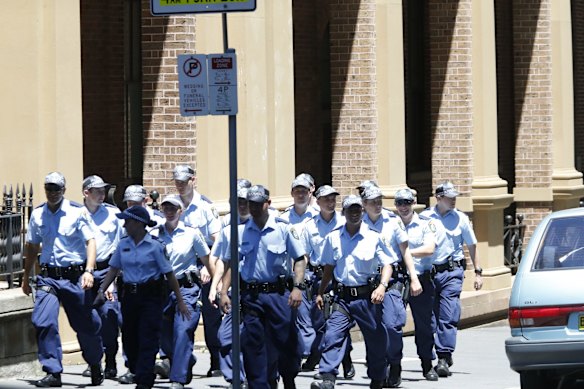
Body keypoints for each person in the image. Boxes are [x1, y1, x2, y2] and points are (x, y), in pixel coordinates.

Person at [219, 185, 307, 389]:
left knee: (286, 341)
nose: (255, 208)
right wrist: (224, 292)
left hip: (279, 295)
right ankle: (260, 384)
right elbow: (233, 263)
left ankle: (288, 377)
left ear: (268, 204)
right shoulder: (240, 232)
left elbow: (300, 259)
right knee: (253, 344)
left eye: (259, 204)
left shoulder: (283, 229)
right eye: (251, 204)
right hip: (252, 296)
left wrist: (297, 287)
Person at [22, 172, 104, 388]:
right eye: (49, 188)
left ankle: (95, 363)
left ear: (64, 190)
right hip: (48, 278)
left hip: (75, 277)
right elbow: (32, 246)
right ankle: (53, 372)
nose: (52, 192)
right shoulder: (38, 214)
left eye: (56, 188)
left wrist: (89, 270)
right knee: (43, 321)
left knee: (86, 325)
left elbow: (91, 241)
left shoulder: (77, 212)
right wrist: (25, 276)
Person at [94, 206, 190, 389]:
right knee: (130, 339)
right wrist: (101, 291)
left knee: (148, 337)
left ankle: (145, 380)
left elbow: (169, 274)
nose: (124, 225)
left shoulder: (155, 246)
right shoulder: (123, 245)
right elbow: (113, 269)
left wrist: (180, 300)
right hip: (129, 297)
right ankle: (140, 371)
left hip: (150, 298)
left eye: (127, 221)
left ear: (138, 224)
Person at [310, 195, 394, 389]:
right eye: (350, 210)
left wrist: (382, 286)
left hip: (368, 298)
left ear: (362, 212)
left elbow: (388, 264)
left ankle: (378, 376)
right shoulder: (333, 237)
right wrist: (321, 292)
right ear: (344, 213)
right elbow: (329, 268)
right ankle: (328, 377)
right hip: (343, 298)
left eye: (358, 210)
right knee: (332, 335)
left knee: (375, 340)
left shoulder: (374, 237)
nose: (355, 214)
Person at [420, 181, 483, 377]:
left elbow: (472, 245)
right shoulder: (424, 218)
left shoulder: (461, 219)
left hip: (452, 272)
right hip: (429, 274)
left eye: (455, 197)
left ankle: (443, 357)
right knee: (431, 318)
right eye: (449, 197)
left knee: (447, 315)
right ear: (438, 198)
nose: (453, 200)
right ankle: (435, 353)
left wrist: (478, 272)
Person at [361, 186, 422, 387]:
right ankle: (378, 368)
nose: (377, 205)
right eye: (373, 201)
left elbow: (405, 252)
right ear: (364, 204)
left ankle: (395, 362)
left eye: (380, 200)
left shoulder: (392, 222)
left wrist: (414, 278)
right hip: (367, 280)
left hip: (393, 279)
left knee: (391, 325)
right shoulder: (356, 223)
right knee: (373, 328)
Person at [150, 195, 212, 389]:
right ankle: (185, 359)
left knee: (183, 330)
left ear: (181, 211)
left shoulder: (192, 233)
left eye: (173, 208)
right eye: (166, 208)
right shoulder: (153, 234)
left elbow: (207, 259)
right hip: (161, 290)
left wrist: (217, 285)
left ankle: (178, 378)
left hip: (187, 289)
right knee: (163, 333)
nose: (169, 212)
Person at [172, 164, 223, 377]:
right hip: (182, 270)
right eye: (178, 182)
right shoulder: (171, 204)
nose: (181, 186)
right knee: (183, 320)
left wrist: (207, 267)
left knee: (212, 318)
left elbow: (218, 240)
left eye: (185, 181)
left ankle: (216, 361)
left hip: (205, 266)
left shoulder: (205, 207)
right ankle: (185, 361)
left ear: (194, 180)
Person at [300, 185, 355, 379]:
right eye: (326, 199)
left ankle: (345, 360)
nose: (331, 202)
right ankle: (330, 358)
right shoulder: (310, 226)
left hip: (339, 277)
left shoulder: (344, 222)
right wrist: (299, 280)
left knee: (338, 321)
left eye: (333, 199)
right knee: (321, 322)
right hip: (318, 277)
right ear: (317, 201)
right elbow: (304, 255)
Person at [80, 175, 124, 381]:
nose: (101, 194)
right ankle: (93, 361)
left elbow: (120, 247)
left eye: (103, 190)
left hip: (107, 270)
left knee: (109, 317)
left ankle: (111, 361)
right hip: (81, 273)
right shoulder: (74, 215)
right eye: (97, 191)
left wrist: (113, 279)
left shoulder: (114, 215)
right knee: (86, 320)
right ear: (85, 193)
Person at [393, 188, 439, 382]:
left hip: (421, 279)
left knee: (425, 324)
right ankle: (393, 366)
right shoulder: (390, 225)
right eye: (400, 203)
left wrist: (406, 253)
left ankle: (427, 363)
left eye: (407, 202)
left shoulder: (425, 223)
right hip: (397, 280)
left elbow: (430, 248)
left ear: (414, 203)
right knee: (392, 323)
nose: (403, 207)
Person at [209, 185, 250, 388]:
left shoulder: (268, 226)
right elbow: (223, 262)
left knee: (255, 337)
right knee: (225, 336)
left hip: (258, 291)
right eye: (238, 202)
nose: (242, 206)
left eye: (245, 202)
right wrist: (216, 288)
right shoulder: (228, 231)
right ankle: (236, 378)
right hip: (234, 291)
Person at [280, 176, 319, 363]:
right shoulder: (283, 218)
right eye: (297, 191)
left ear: (311, 191)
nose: (301, 194)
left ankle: (319, 353)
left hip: (317, 272)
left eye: (304, 191)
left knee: (318, 318)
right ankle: (303, 354)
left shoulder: (319, 215)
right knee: (300, 315)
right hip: (294, 274)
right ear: (292, 193)